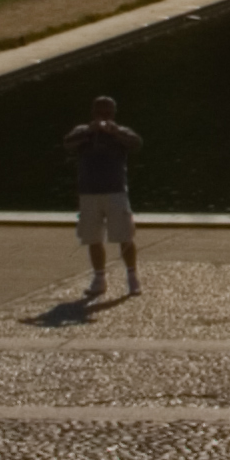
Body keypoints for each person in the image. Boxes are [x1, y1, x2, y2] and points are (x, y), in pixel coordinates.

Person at [63, 96, 143, 309]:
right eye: (100, 112)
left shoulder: (121, 132)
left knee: (125, 235)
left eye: (108, 113)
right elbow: (68, 143)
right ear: (93, 113)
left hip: (115, 191)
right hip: (89, 192)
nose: (104, 117)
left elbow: (136, 143)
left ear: (114, 114)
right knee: (92, 237)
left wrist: (115, 132)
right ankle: (99, 278)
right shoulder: (83, 132)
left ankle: (132, 276)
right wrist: (90, 131)